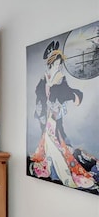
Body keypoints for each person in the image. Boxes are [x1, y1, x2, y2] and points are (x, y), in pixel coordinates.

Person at [29, 40, 97, 192]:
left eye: (60, 63)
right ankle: (52, 166)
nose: (59, 66)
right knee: (48, 141)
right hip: (46, 114)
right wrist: (42, 107)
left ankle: (61, 170)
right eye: (57, 63)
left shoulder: (60, 77)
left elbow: (65, 91)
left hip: (54, 114)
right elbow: (39, 93)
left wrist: (74, 95)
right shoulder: (45, 77)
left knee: (55, 140)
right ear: (51, 63)